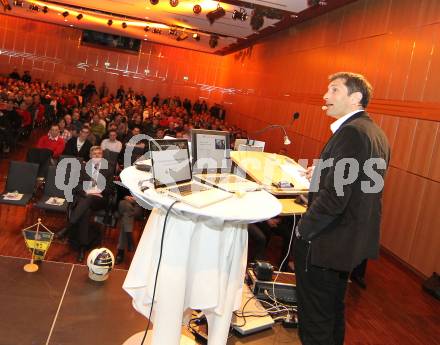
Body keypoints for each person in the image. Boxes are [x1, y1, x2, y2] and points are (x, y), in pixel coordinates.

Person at [294, 72, 390, 345]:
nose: (325, 96)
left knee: (316, 322)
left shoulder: (351, 134)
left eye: (334, 90)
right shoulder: (374, 132)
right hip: (347, 243)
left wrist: (303, 230)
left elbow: (336, 199)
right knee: (333, 313)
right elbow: (360, 184)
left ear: (355, 97)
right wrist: (322, 172)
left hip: (327, 242)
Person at [55, 146, 114, 262]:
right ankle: (83, 247)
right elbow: (75, 186)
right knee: (86, 212)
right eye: (94, 154)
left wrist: (98, 187)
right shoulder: (82, 168)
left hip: (100, 200)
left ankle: (69, 226)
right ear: (90, 156)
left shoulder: (108, 169)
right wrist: (87, 190)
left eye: (99, 154)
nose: (97, 156)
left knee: (90, 198)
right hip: (84, 197)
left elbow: (111, 190)